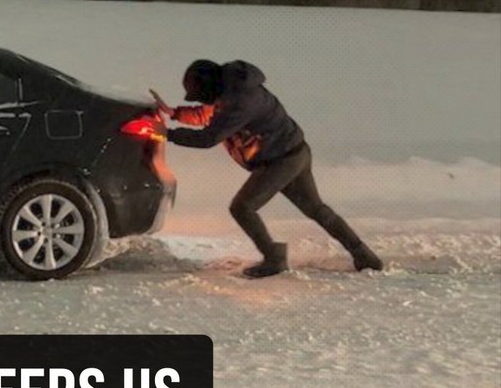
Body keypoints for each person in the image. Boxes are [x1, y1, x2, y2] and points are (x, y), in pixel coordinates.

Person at [152, 60, 383, 277]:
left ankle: (274, 257)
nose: (201, 101)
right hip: (294, 153)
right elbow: (210, 114)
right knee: (317, 209)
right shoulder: (233, 91)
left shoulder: (240, 101)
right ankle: (363, 254)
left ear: (210, 87)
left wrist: (168, 134)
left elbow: (209, 137)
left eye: (200, 96)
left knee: (243, 207)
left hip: (280, 162)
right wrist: (175, 113)